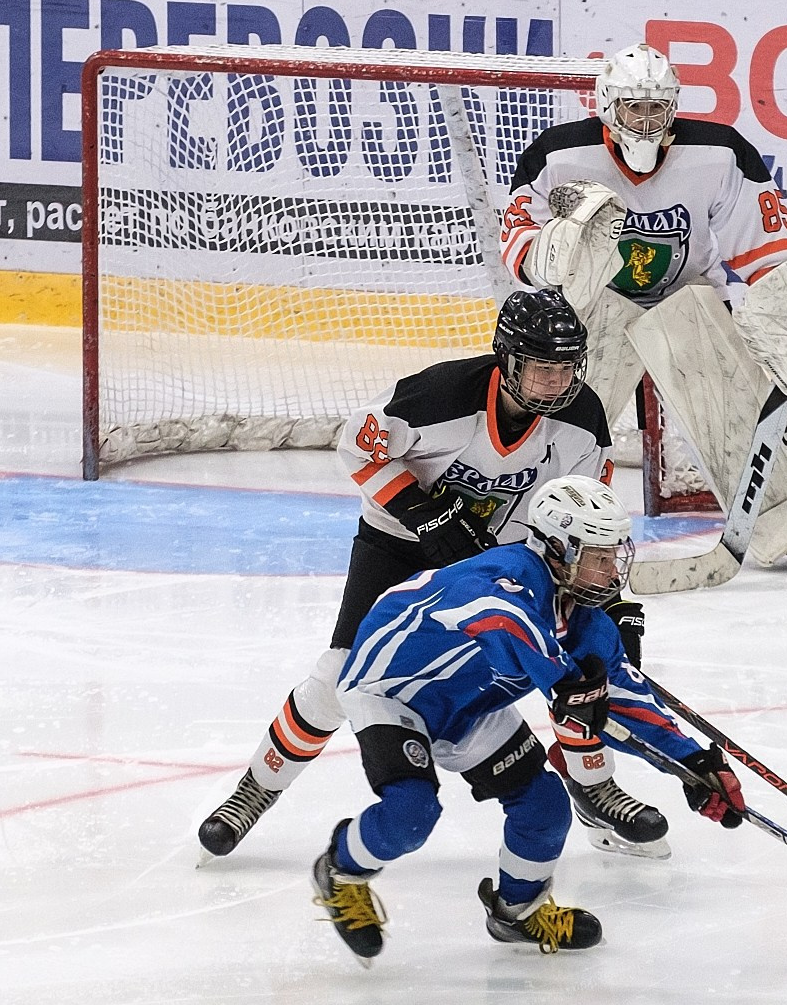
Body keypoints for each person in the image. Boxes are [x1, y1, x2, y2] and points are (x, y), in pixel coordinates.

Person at [196, 289, 673, 864]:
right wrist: (425, 514)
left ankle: (592, 784)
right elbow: (357, 444)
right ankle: (256, 788)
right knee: (341, 673)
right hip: (397, 543)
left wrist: (610, 606)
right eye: (542, 367)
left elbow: (586, 515)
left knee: (576, 666)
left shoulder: (582, 420)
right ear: (508, 359)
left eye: (566, 367)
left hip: (502, 560)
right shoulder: (440, 394)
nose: (555, 382)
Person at [309, 475, 747, 964]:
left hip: (472, 706)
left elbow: (625, 697)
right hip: (393, 693)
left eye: (614, 555)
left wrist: (694, 763)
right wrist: (560, 679)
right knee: (412, 815)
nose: (611, 571)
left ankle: (517, 911)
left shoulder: (588, 622)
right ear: (556, 549)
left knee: (544, 805)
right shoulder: (505, 573)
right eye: (597, 556)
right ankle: (342, 871)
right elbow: (499, 617)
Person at [496, 42, 787, 568]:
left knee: (731, 404)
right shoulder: (559, 156)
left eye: (655, 107)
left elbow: (765, 248)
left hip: (688, 300)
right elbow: (519, 242)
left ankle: (782, 516)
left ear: (673, 106)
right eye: (632, 107)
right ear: (605, 105)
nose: (644, 120)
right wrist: (555, 254)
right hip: (594, 307)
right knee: (562, 408)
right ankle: (526, 513)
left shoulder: (720, 152)